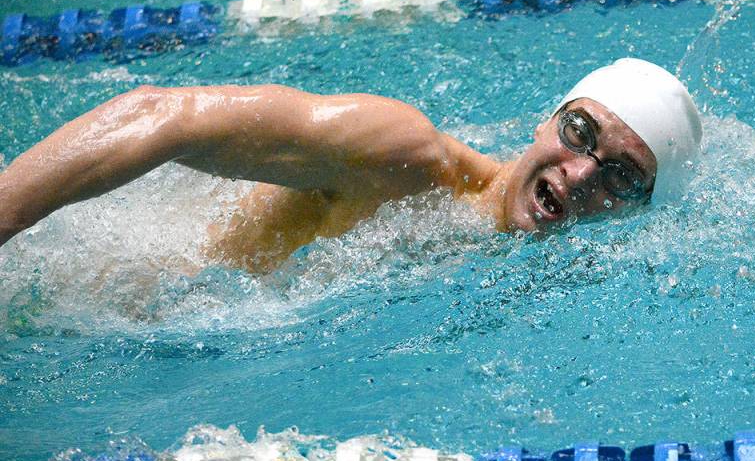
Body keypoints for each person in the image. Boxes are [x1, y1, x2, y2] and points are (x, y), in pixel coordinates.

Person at [0, 58, 702, 272]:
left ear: (639, 211)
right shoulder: (404, 158)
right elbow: (166, 115)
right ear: (546, 120)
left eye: (620, 177)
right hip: (111, 290)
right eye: (580, 133)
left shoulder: (557, 272)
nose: (579, 173)